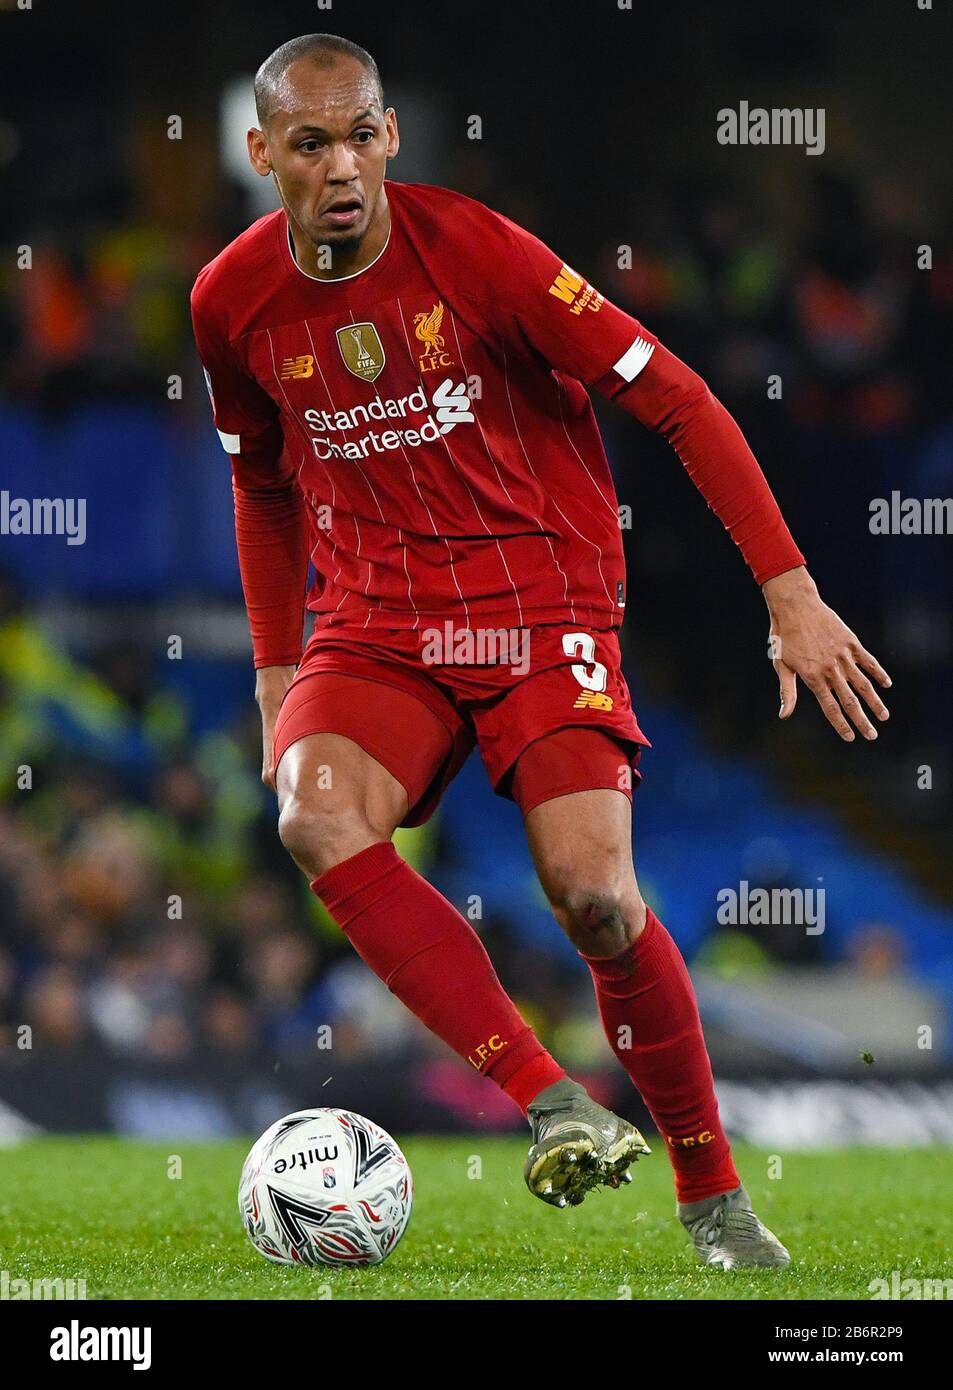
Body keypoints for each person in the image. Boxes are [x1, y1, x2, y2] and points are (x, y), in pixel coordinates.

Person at [191, 33, 892, 1268]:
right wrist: (272, 669)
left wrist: (786, 592)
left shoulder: (480, 252)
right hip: (374, 622)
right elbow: (260, 487)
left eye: (361, 132)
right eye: (311, 143)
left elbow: (676, 393)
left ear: (391, 135)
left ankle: (712, 1192)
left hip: (536, 601)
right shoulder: (229, 300)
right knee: (312, 813)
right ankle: (547, 1094)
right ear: (263, 155)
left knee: (596, 899)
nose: (343, 163)